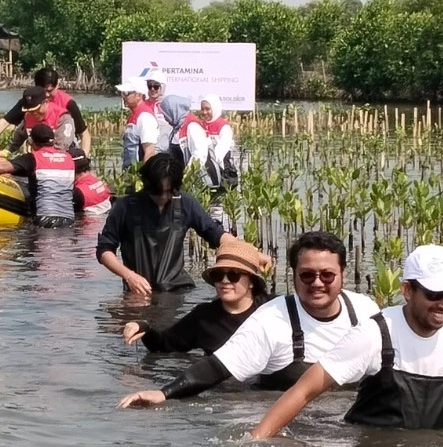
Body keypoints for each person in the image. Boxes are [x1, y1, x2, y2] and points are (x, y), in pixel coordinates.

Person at [249, 244, 443, 436]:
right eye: (435, 294)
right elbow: (305, 390)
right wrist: (258, 439)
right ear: (407, 290)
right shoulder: (374, 333)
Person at [118, 231, 379, 408]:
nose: (317, 283)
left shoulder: (365, 310)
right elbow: (215, 367)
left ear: (342, 274)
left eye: (327, 275)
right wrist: (164, 393)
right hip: (293, 420)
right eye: (307, 276)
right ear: (294, 276)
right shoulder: (270, 319)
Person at [96, 153, 245, 294]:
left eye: (169, 192)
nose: (163, 197)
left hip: (177, 289)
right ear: (147, 184)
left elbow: (216, 234)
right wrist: (129, 276)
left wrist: (251, 253)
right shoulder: (125, 207)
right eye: (158, 192)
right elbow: (104, 251)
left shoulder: (186, 204)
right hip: (138, 291)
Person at [122, 241, 270, 354]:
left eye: (234, 275)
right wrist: (143, 327)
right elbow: (164, 344)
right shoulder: (204, 317)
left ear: (251, 282)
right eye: (218, 275)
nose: (225, 281)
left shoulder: (272, 310)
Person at [0, 124, 90, 227]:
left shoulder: (33, 158)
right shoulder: (68, 159)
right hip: (69, 221)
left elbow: (1, 167)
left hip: (44, 220)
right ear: (53, 140)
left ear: (31, 143)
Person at [0, 67, 88, 153]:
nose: (47, 95)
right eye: (43, 91)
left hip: (64, 150)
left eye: (50, 91)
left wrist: (84, 158)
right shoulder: (30, 102)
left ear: (57, 86)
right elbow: (6, 121)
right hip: (39, 152)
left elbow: (84, 134)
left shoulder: (68, 104)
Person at [118, 79, 161, 169]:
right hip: (131, 171)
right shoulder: (134, 114)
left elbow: (150, 151)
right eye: (122, 93)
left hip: (138, 174)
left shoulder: (145, 116)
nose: (123, 97)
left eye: (127, 93)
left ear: (139, 95)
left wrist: (143, 178)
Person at [145, 71, 194, 140]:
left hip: (167, 147)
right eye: (149, 86)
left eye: (156, 86)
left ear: (162, 87)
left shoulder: (169, 105)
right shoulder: (144, 105)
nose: (152, 89)